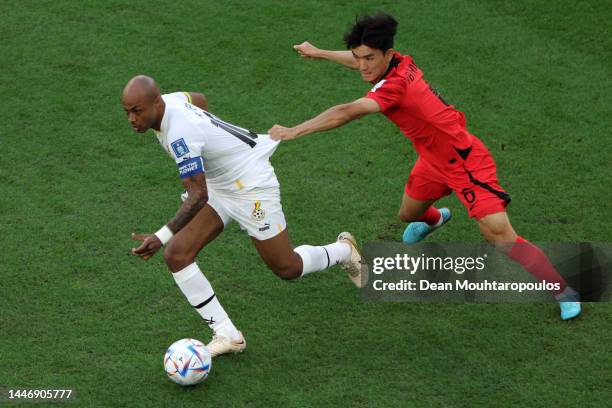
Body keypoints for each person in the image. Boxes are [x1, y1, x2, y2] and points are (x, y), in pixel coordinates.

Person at [268, 13, 581, 320]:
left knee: (500, 236)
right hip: (433, 160)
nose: (362, 65)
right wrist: (320, 53)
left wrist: (295, 130)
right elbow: (360, 60)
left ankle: (563, 289)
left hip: (466, 163)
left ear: (386, 54)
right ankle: (435, 220)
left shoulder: (393, 87)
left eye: (369, 58)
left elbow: (348, 111)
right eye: (358, 57)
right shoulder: (398, 62)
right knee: (409, 215)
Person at [122, 75, 365, 357]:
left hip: (251, 185)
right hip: (220, 183)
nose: (131, 118)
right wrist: (215, 142)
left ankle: (343, 251)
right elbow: (199, 99)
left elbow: (197, 195)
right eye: (126, 111)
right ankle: (227, 334)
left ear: (156, 102)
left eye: (137, 111)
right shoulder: (172, 101)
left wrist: (160, 236)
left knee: (287, 268)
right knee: (177, 254)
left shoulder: (180, 135)